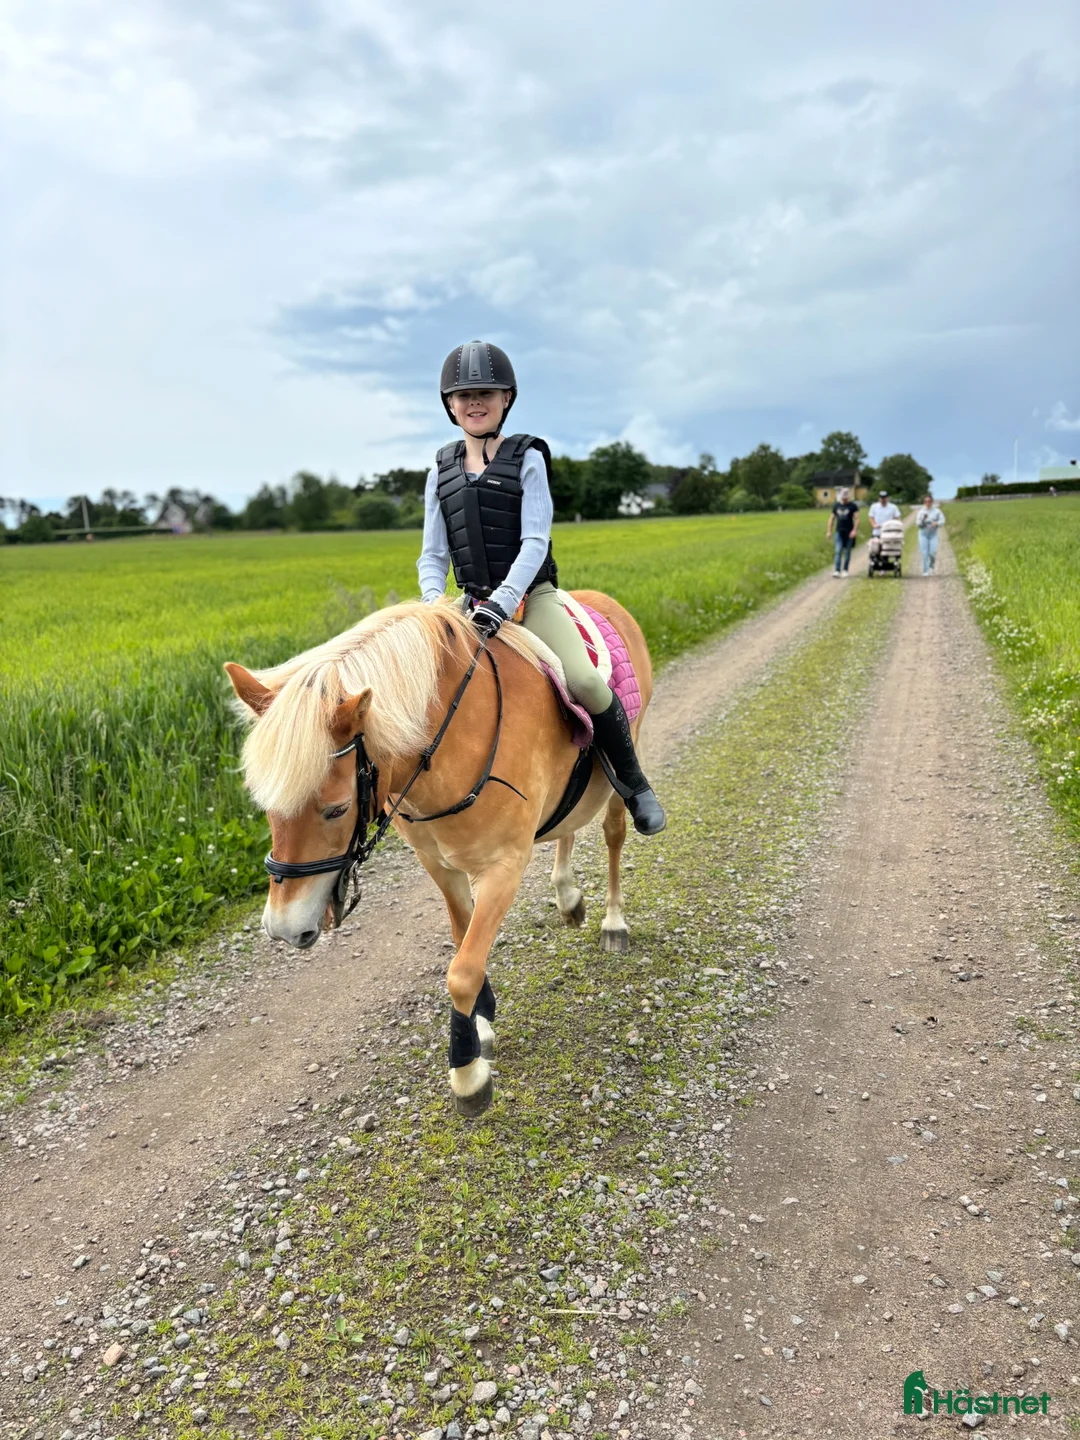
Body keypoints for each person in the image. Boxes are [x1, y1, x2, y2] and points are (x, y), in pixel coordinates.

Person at [417, 340, 665, 835]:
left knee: (587, 680)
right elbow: (432, 555)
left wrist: (503, 603)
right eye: (463, 395)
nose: (474, 403)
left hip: (533, 600)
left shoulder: (527, 459)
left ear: (506, 398)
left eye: (485, 393)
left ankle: (635, 784)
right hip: (467, 606)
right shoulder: (439, 470)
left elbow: (534, 542)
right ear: (449, 404)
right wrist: (432, 607)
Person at [825, 486, 859, 576]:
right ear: (841, 496)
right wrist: (829, 531)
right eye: (843, 497)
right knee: (838, 550)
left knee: (847, 551)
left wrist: (854, 530)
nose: (844, 499)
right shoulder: (836, 505)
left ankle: (845, 570)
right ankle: (837, 570)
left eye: (846, 497)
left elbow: (857, 519)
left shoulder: (853, 506)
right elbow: (831, 519)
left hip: (849, 532)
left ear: (848, 497)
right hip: (839, 532)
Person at [915, 493, 945, 575]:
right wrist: (922, 521)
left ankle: (932, 563)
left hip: (933, 535)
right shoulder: (921, 512)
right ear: (924, 502)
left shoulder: (937, 511)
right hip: (923, 534)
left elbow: (942, 521)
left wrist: (937, 523)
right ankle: (925, 571)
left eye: (929, 501)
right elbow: (917, 523)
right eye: (926, 501)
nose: (928, 503)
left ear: (932, 501)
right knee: (924, 553)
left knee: (933, 552)